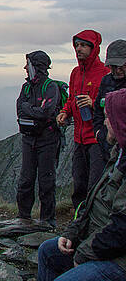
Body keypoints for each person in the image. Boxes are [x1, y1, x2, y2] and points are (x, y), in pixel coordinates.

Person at [37, 88, 126, 281]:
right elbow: (92, 202)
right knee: (48, 252)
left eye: (108, 117)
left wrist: (85, 252)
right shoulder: (118, 153)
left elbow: (121, 230)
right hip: (99, 239)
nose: (103, 121)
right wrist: (73, 233)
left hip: (118, 259)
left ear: (121, 122)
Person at [56, 30, 109, 209]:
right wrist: (65, 112)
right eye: (77, 45)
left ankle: (94, 223)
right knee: (79, 183)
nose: (79, 49)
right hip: (79, 138)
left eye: (84, 45)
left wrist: (94, 103)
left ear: (94, 48)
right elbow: (72, 99)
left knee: (95, 183)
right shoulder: (76, 73)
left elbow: (115, 104)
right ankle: (78, 221)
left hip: (97, 138)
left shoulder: (105, 73)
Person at [16, 51, 60, 228]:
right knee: (26, 179)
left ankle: (47, 221)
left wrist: (29, 109)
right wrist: (34, 111)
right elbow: (19, 109)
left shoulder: (50, 87)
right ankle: (23, 217)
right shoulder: (26, 87)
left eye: (28, 65)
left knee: (46, 180)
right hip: (29, 139)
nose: (25, 68)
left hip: (47, 140)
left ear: (36, 67)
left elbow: (47, 112)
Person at [93, 40, 126, 162]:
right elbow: (97, 109)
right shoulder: (106, 81)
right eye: (113, 66)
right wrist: (99, 133)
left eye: (121, 66)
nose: (117, 70)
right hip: (107, 143)